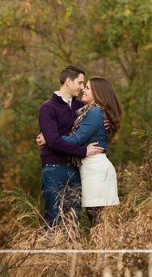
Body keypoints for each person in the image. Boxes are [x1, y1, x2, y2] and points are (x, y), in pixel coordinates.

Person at [38, 76, 122, 225]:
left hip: (96, 171)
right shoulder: (85, 110)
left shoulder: (95, 112)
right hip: (91, 170)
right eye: (83, 85)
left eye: (88, 87)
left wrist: (50, 138)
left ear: (98, 93)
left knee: (99, 222)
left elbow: (76, 139)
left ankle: (108, 248)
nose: (84, 89)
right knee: (98, 222)